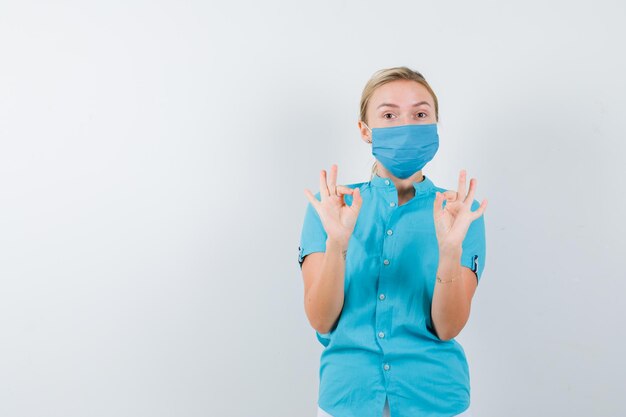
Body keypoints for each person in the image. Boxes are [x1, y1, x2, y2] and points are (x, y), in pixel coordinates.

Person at [297, 66, 488, 417]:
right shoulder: (332, 208)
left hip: (436, 397)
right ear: (365, 131)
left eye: (420, 114)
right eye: (389, 114)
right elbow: (321, 320)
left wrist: (449, 252)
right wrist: (338, 245)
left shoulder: (461, 212)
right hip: (347, 397)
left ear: (435, 126)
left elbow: (448, 328)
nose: (407, 126)